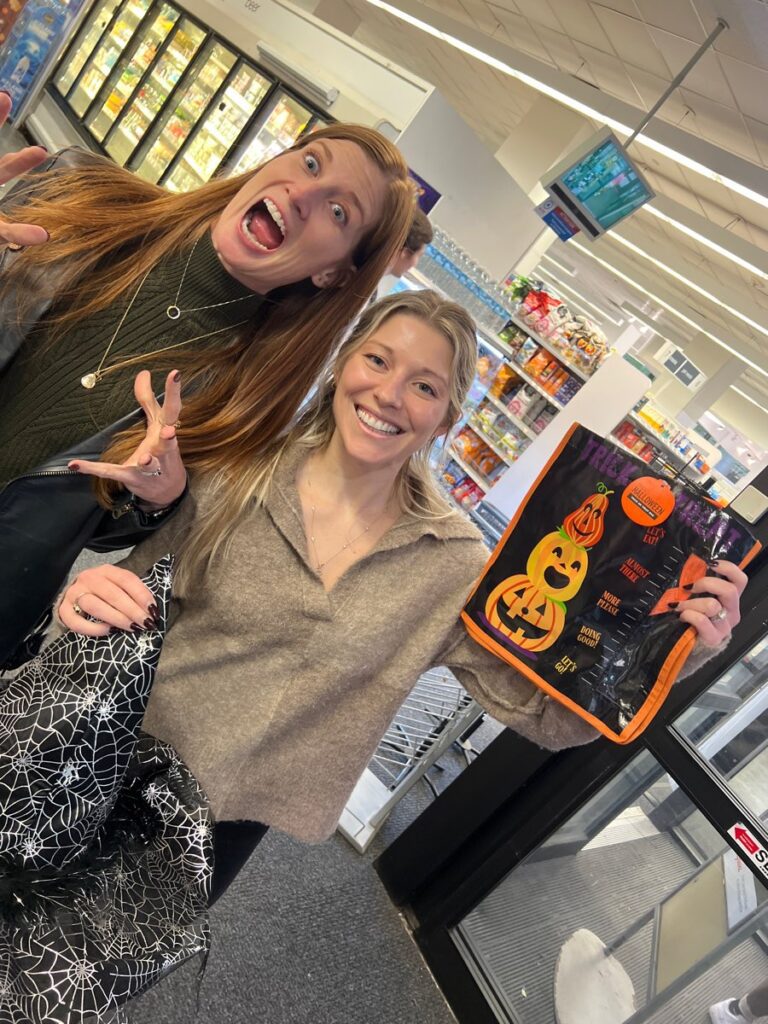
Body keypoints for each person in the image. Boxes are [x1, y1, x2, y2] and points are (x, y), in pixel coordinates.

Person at [58, 289, 748, 903]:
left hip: (220, 824)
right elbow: (129, 588)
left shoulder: (452, 566)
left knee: (89, 983)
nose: (390, 394)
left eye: (424, 386)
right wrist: (80, 600)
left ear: (447, 417)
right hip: (102, 752)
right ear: (342, 366)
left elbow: (551, 719)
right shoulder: (245, 465)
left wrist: (673, 648)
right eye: (379, 362)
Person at [0, 93, 415, 667]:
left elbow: (97, 532)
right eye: (311, 162)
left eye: (339, 212)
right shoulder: (76, 192)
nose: (303, 192)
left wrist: (157, 501)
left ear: (333, 271)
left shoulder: (242, 404)